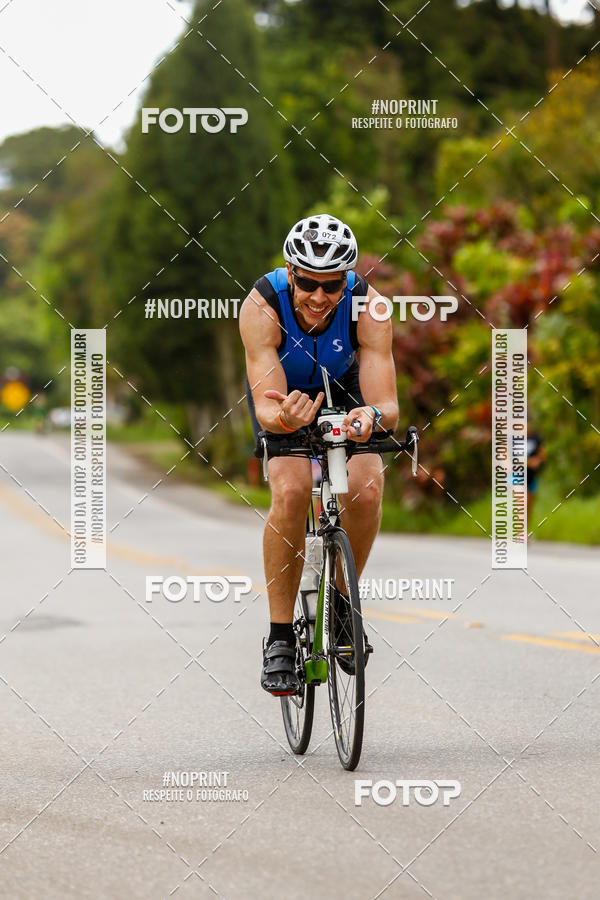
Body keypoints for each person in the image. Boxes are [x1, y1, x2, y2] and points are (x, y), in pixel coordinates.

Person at [239, 214, 399, 696]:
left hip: (345, 388)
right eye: (307, 282)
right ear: (290, 272)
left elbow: (388, 404)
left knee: (368, 489)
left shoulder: (370, 308)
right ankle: (281, 636)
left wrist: (371, 417)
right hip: (284, 396)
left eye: (331, 285)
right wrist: (287, 419)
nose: (318, 296)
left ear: (347, 279)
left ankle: (343, 607)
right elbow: (269, 413)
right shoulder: (261, 306)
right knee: (289, 491)